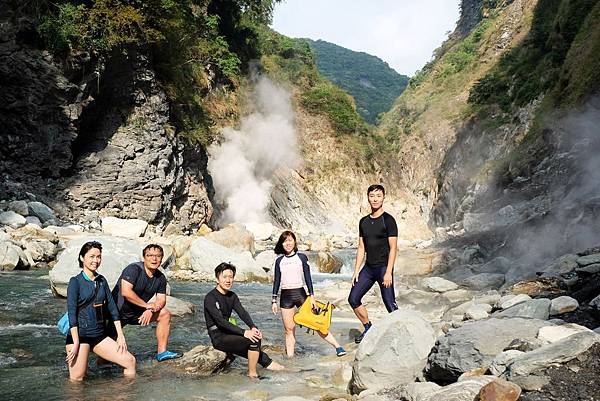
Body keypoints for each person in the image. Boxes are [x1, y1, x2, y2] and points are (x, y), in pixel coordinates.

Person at [65, 241, 136, 381]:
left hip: (99, 336)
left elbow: (113, 309)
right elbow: (72, 314)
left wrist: (120, 336)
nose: (96, 260)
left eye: (98, 257)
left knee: (130, 362)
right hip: (80, 337)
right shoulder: (75, 282)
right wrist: (76, 342)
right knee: (77, 379)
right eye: (91, 256)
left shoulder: (101, 280)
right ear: (82, 258)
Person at [271, 230, 346, 357]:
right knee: (289, 330)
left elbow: (308, 277)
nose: (287, 243)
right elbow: (277, 281)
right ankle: (290, 358)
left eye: (290, 240)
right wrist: (273, 300)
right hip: (285, 297)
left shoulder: (301, 257)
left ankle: (338, 347)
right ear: (281, 244)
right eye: (284, 241)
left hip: (300, 294)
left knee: (316, 323)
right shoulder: (279, 261)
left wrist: (312, 296)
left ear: (294, 242)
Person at [204, 262, 286, 378]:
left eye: (231, 277)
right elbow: (221, 321)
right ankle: (252, 374)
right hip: (218, 337)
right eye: (225, 277)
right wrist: (244, 332)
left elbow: (242, 312)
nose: (228, 280)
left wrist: (253, 327)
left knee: (262, 356)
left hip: (229, 335)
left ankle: (286, 370)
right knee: (254, 341)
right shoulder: (210, 297)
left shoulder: (232, 296)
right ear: (217, 279)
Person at [110, 244, 179, 361]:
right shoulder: (133, 269)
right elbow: (126, 292)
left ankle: (161, 353)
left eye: (158, 256)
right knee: (107, 355)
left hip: (136, 313)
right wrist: (147, 305)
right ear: (144, 257)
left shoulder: (160, 278)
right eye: (150, 255)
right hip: (116, 314)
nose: (154, 259)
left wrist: (151, 309)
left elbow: (161, 300)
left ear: (162, 259)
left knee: (164, 314)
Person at [348, 184, 399, 343]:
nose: (375, 199)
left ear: (384, 197)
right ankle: (368, 327)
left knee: (390, 304)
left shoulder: (388, 220)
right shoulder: (363, 221)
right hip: (368, 268)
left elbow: (393, 248)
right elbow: (361, 247)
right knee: (353, 299)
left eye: (378, 195)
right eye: (372, 196)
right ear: (368, 198)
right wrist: (356, 270)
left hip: (383, 267)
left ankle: (401, 333)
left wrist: (388, 272)